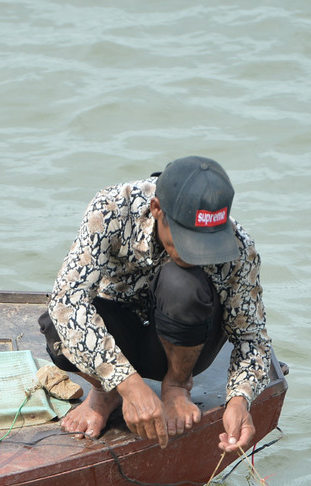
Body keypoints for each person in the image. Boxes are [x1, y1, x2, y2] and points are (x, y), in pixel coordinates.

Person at [40, 155, 273, 453]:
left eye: (208, 245)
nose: (196, 254)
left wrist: (239, 400)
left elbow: (252, 338)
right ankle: (104, 392)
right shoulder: (111, 208)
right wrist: (126, 383)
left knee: (182, 282)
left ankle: (176, 387)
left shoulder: (238, 246)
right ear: (157, 210)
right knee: (56, 327)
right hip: (119, 335)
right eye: (188, 241)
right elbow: (66, 300)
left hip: (186, 345)